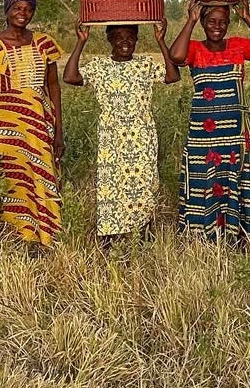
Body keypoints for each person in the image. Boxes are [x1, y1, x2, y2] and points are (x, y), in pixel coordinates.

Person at [62, 20, 180, 244]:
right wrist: (81, 42)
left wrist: (160, 40)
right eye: (118, 36)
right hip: (112, 136)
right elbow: (70, 77)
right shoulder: (99, 66)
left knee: (144, 185)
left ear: (136, 39)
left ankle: (143, 235)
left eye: (130, 36)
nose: (125, 41)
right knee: (112, 187)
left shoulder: (144, 64)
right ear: (109, 39)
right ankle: (111, 239)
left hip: (142, 135)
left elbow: (172, 76)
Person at [169, 0, 250, 241]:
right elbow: (176, 57)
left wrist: (247, 17)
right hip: (202, 135)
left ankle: (236, 234)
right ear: (203, 22)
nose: (217, 26)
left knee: (234, 179)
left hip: (236, 134)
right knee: (203, 177)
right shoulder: (195, 48)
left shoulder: (237, 46)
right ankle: (203, 234)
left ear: (228, 24)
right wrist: (190, 20)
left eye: (223, 22)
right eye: (211, 21)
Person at [0, 0, 64, 246]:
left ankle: (39, 235)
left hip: (37, 125)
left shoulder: (45, 44)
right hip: (4, 126)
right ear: (7, 9)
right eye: (17, 7)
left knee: (39, 176)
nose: (23, 13)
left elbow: (54, 89)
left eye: (28, 8)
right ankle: (4, 234)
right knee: (8, 176)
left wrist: (59, 131)